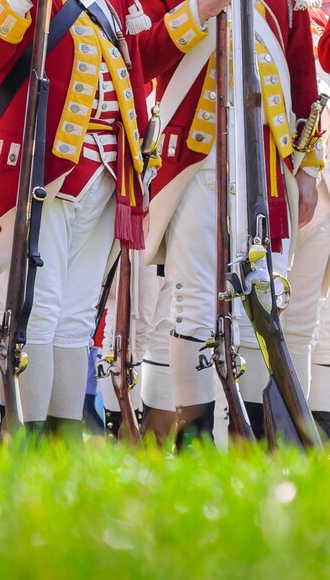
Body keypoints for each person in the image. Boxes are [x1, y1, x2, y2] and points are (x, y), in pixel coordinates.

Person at [0, 0, 176, 438]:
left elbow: (139, 64)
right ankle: (28, 441)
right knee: (38, 309)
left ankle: (64, 444)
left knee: (76, 316)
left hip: (108, 173)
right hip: (41, 169)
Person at [140, 0, 322, 441]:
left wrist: (308, 168)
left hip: (267, 164)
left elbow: (302, 76)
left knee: (261, 306)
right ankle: (196, 438)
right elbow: (142, 56)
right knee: (194, 304)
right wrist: (200, 11)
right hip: (194, 160)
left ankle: (251, 441)